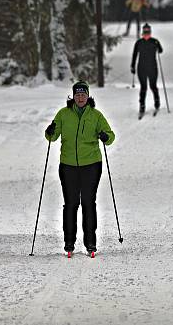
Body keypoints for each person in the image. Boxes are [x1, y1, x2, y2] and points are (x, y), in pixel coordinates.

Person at [44, 81, 115, 257]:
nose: (80, 98)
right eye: (77, 95)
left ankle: (90, 242)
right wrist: (50, 130)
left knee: (88, 203)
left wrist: (105, 137)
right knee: (71, 204)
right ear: (73, 97)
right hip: (68, 166)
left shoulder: (96, 116)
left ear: (88, 96)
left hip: (91, 165)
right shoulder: (63, 114)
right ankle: (69, 242)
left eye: (83, 95)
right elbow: (51, 137)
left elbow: (110, 137)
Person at [130, 23, 163, 118]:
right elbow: (134, 55)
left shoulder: (154, 41)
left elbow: (160, 51)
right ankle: (142, 106)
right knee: (143, 87)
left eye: (148, 32)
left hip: (153, 68)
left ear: (150, 32)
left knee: (153, 86)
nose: (146, 34)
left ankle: (157, 103)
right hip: (142, 68)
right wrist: (132, 66)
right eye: (145, 32)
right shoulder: (139, 43)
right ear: (142, 32)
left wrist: (158, 46)